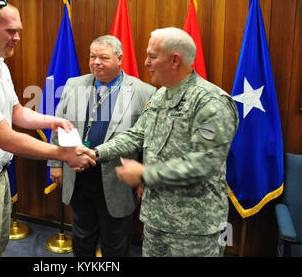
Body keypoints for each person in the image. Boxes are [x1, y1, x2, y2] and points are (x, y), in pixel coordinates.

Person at [0, 0, 95, 257]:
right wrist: (62, 154)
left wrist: (51, 121)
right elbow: (7, 139)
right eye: (11, 31)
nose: (17, 38)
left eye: (19, 31)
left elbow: (16, 112)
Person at [84, 27, 239, 257]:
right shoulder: (161, 95)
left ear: (175, 60)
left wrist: (145, 173)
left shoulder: (210, 102)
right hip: (156, 220)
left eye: (152, 56)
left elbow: (204, 164)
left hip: (193, 230)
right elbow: (136, 135)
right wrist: (95, 153)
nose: (145, 62)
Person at [47, 35, 155, 257]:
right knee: (82, 238)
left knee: (115, 244)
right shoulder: (73, 85)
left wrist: (145, 178)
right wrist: (55, 163)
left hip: (119, 180)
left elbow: (148, 141)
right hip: (79, 176)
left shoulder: (144, 92)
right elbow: (60, 126)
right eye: (92, 57)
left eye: (103, 57)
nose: (96, 62)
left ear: (119, 59)